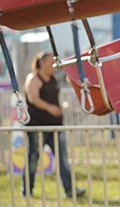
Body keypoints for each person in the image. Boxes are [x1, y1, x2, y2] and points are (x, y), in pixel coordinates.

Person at [22, 51, 85, 198]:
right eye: (51, 62)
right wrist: (50, 108)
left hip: (56, 126)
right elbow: (33, 99)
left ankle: (70, 190)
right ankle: (27, 190)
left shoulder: (53, 79)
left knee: (63, 159)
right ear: (42, 62)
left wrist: (62, 106)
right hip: (38, 127)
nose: (53, 65)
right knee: (33, 158)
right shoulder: (33, 79)